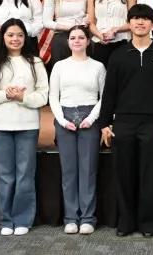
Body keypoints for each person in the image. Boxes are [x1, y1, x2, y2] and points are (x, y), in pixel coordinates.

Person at [98, 4, 153, 237]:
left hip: (152, 124)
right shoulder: (118, 55)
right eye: (135, 19)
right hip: (123, 123)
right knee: (124, 174)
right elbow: (109, 92)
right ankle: (126, 222)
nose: (140, 23)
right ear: (129, 23)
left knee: (150, 176)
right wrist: (104, 123)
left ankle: (150, 223)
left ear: (152, 24)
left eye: (145, 19)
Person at [0, 19, 49, 237]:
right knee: (5, 174)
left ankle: (22, 219)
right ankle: (6, 219)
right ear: (3, 37)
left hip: (27, 125)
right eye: (10, 35)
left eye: (19, 35)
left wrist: (23, 97)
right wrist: (6, 95)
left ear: (25, 38)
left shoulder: (35, 62)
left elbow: (42, 96)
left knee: (25, 174)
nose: (15, 39)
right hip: (0, 125)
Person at [49, 25, 106, 236]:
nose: (77, 41)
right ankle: (71, 218)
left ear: (88, 41)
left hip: (89, 116)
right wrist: (62, 121)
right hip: (65, 117)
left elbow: (104, 97)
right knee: (69, 171)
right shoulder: (59, 67)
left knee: (88, 170)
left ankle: (88, 218)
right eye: (73, 38)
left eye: (81, 37)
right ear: (68, 42)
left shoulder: (98, 67)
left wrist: (91, 119)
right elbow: (53, 97)